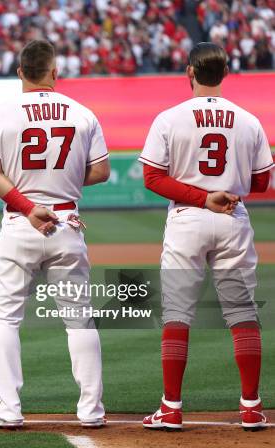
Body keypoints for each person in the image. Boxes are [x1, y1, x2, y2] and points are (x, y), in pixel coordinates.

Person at [0, 39, 110, 428]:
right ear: (55, 72)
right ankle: (91, 411)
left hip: (21, 221)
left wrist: (28, 205)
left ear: (20, 72)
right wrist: (65, 184)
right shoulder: (82, 113)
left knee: (5, 319)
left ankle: (9, 409)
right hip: (66, 222)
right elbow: (101, 171)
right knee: (79, 320)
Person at [140, 42, 272, 431]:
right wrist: (228, 184)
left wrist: (201, 195)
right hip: (233, 217)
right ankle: (251, 406)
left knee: (178, 314)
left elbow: (152, 178)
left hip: (187, 219)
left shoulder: (169, 118)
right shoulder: (248, 120)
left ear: (189, 72)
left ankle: (171, 408)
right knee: (242, 312)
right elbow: (262, 181)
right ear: (225, 73)